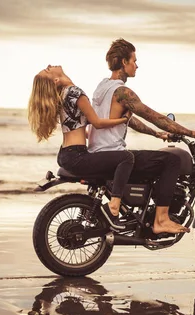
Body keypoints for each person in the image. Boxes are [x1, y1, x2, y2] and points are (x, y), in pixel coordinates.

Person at [88, 38, 195, 235]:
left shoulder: (102, 88)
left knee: (153, 162)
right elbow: (155, 117)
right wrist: (191, 132)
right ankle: (161, 220)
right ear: (124, 62)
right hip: (113, 155)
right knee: (170, 161)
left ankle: (144, 214)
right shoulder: (123, 92)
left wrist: (156, 134)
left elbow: (128, 119)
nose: (137, 65)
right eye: (134, 60)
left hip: (99, 154)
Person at [28, 64, 134, 230]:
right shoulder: (75, 92)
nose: (49, 66)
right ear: (56, 79)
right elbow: (97, 123)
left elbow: (79, 128)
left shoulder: (62, 95)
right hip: (77, 156)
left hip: (65, 155)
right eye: (47, 70)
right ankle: (114, 205)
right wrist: (123, 120)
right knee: (126, 158)